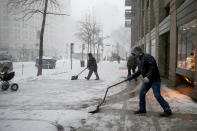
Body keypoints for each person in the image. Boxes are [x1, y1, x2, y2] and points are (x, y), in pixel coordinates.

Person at [128, 47, 172, 117]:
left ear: (138, 52)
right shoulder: (139, 60)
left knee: (157, 95)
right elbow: (139, 71)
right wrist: (132, 76)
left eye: (134, 54)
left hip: (155, 80)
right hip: (147, 81)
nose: (134, 56)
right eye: (133, 54)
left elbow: (153, 67)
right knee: (142, 93)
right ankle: (142, 109)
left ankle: (167, 110)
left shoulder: (148, 57)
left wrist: (148, 76)